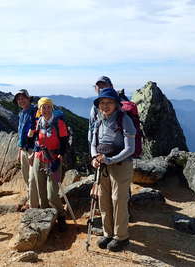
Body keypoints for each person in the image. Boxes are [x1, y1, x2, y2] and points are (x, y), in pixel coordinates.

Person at [90, 88, 136, 252]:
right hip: (103, 166)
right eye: (102, 103)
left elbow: (130, 149)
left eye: (109, 102)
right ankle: (108, 233)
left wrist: (111, 160)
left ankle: (121, 237)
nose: (105, 105)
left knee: (119, 200)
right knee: (103, 199)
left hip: (120, 166)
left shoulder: (125, 120)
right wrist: (95, 157)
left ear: (116, 104)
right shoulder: (99, 121)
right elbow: (93, 144)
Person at [28, 97, 68, 232]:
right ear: (39, 109)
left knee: (52, 194)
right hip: (39, 157)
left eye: (48, 107)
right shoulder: (39, 122)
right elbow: (36, 140)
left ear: (52, 108)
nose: (45, 110)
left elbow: (64, 142)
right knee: (42, 193)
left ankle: (61, 216)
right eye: (43, 107)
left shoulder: (59, 123)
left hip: (53, 158)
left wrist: (59, 157)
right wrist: (33, 153)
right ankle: (46, 219)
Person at [13, 89, 39, 210]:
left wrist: (34, 151)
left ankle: (33, 204)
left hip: (32, 149)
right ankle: (30, 200)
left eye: (23, 98)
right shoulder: (21, 113)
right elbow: (20, 133)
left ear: (28, 98)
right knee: (26, 177)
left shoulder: (35, 111)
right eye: (18, 99)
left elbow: (38, 132)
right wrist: (19, 150)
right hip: (23, 149)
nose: (21, 100)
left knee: (32, 178)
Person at [88, 76, 114, 144]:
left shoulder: (118, 103)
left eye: (104, 86)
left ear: (111, 86)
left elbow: (91, 127)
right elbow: (92, 127)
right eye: (99, 87)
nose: (101, 89)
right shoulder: (96, 105)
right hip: (101, 145)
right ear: (96, 89)